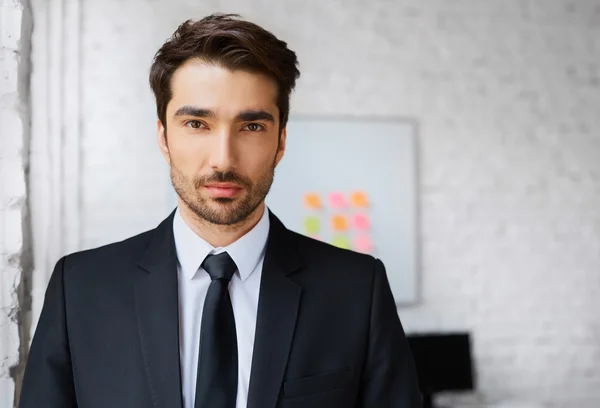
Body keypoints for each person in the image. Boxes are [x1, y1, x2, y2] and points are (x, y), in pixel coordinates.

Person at [19, 13, 422, 408]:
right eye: (197, 124)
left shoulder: (356, 289)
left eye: (251, 127)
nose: (223, 159)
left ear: (280, 142)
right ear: (164, 137)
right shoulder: (82, 288)